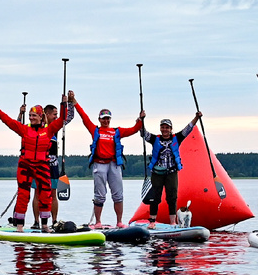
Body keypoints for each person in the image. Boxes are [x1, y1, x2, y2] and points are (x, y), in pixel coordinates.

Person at [0, 96, 69, 230]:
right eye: (29, 115)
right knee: (23, 195)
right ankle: (20, 226)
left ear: (41, 117)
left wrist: (64, 103)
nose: (31, 118)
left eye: (34, 115)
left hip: (42, 165)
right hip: (25, 166)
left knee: (46, 194)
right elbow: (6, 119)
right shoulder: (24, 129)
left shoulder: (49, 130)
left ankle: (45, 225)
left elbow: (63, 118)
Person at [71, 92, 144, 227]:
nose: (106, 121)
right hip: (99, 164)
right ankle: (98, 222)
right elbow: (84, 117)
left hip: (114, 165)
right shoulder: (95, 130)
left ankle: (119, 222)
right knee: (99, 195)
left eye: (108, 119)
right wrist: (74, 102)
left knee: (118, 194)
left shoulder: (117, 131)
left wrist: (140, 120)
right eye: (103, 118)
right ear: (99, 119)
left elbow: (134, 129)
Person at [141, 112, 202, 227]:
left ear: (171, 129)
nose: (165, 130)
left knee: (172, 197)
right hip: (157, 172)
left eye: (167, 128)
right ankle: (152, 221)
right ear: (160, 128)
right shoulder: (155, 139)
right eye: (163, 127)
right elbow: (143, 133)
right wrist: (141, 119)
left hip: (172, 172)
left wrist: (197, 117)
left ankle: (173, 222)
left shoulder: (177, 138)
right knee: (155, 196)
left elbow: (188, 128)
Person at [33, 102, 73, 228]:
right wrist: (21, 114)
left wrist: (69, 103)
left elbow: (69, 117)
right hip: (39, 163)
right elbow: (19, 126)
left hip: (53, 164)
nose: (56, 117)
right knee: (38, 193)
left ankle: (54, 221)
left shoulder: (55, 127)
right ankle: (36, 221)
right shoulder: (37, 126)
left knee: (52, 193)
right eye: (54, 114)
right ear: (47, 114)